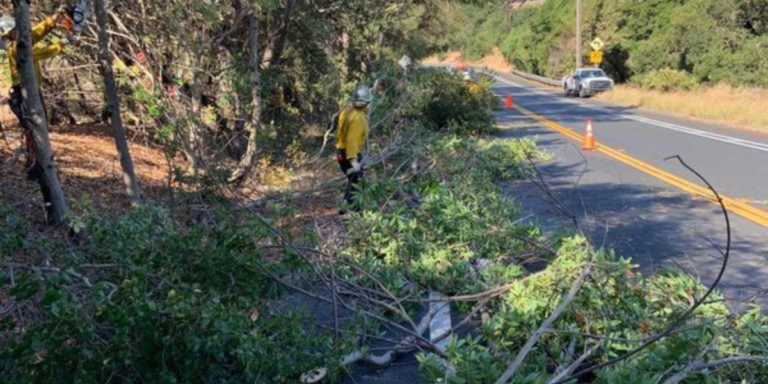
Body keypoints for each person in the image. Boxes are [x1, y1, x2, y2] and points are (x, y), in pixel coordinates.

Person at [1, 9, 69, 182]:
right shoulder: (18, 48)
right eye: (14, 31)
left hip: (28, 93)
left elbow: (37, 32)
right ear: (10, 34)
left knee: (38, 130)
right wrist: (62, 43)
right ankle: (35, 167)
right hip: (24, 95)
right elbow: (43, 52)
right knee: (35, 132)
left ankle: (38, 165)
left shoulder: (21, 42)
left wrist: (54, 19)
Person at [335, 85, 371, 214]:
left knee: (354, 181)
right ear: (367, 103)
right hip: (349, 154)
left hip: (340, 152)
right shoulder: (358, 119)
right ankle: (349, 212)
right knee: (357, 183)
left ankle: (352, 210)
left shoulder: (347, 111)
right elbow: (352, 139)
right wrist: (353, 160)